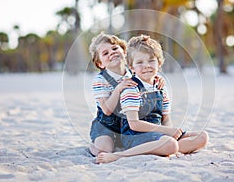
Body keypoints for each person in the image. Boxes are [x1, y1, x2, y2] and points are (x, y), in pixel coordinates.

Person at [96, 35, 209, 164]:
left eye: (151, 61)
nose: (146, 66)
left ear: (159, 63)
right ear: (131, 67)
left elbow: (165, 119)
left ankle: (162, 148)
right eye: (139, 62)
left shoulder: (160, 87)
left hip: (157, 135)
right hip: (134, 136)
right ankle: (121, 155)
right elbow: (134, 124)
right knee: (170, 144)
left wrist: (170, 131)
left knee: (202, 137)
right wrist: (167, 132)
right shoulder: (131, 89)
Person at [88, 32, 165, 157]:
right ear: (100, 64)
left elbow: (146, 79)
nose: (112, 52)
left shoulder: (132, 72)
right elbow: (107, 110)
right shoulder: (100, 80)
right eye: (105, 53)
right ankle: (94, 147)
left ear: (124, 51)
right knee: (105, 149)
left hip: (127, 124)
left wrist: (157, 79)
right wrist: (118, 89)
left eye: (114, 48)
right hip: (106, 125)